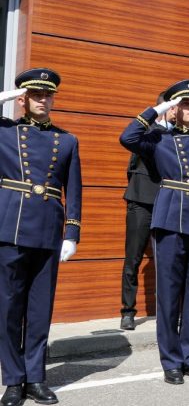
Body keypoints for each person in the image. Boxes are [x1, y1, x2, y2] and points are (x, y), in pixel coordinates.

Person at [119, 80, 189, 384]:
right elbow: (127, 137)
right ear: (175, 109)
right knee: (168, 295)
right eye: (185, 103)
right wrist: (158, 109)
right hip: (169, 221)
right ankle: (171, 361)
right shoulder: (158, 140)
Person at [0, 68, 82, 406]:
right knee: (7, 308)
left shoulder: (67, 140)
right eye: (36, 94)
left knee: (38, 310)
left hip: (48, 228)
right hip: (11, 227)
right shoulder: (5, 133)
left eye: (48, 95)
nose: (43, 100)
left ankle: (35, 378)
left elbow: (74, 190)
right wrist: (3, 97)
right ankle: (13, 380)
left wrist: (72, 233)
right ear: (23, 98)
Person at [120, 91, 177, 331]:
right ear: (166, 108)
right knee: (133, 257)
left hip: (168, 202)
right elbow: (130, 149)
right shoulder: (146, 132)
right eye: (175, 106)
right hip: (141, 200)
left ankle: (169, 312)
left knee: (168, 259)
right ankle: (128, 311)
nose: (179, 110)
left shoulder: (180, 137)